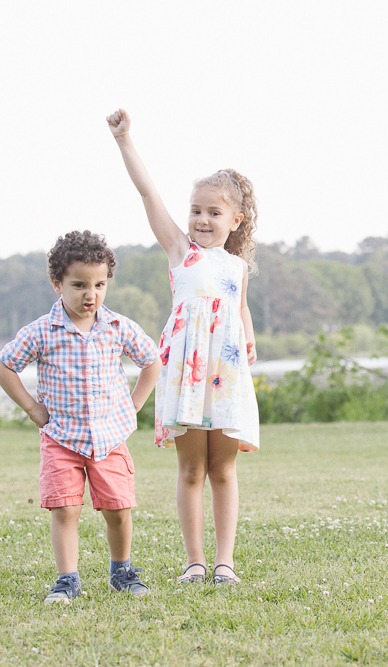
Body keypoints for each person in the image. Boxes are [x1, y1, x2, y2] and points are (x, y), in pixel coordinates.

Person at [107, 108, 260, 586]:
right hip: (189, 372)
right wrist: (125, 140)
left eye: (214, 213)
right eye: (196, 210)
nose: (201, 220)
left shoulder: (236, 267)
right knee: (192, 468)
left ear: (235, 220)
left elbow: (238, 309)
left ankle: (224, 563)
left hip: (227, 375)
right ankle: (195, 561)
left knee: (223, 469)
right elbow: (149, 193)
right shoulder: (180, 251)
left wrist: (249, 334)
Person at [0, 230, 160, 604]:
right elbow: (3, 367)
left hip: (110, 438)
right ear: (58, 284)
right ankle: (67, 579)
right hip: (61, 438)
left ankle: (122, 571)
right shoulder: (42, 331)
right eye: (80, 285)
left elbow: (152, 361)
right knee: (65, 507)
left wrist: (134, 404)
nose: (91, 294)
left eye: (100, 284)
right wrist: (33, 409)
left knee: (118, 507)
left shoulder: (118, 327)